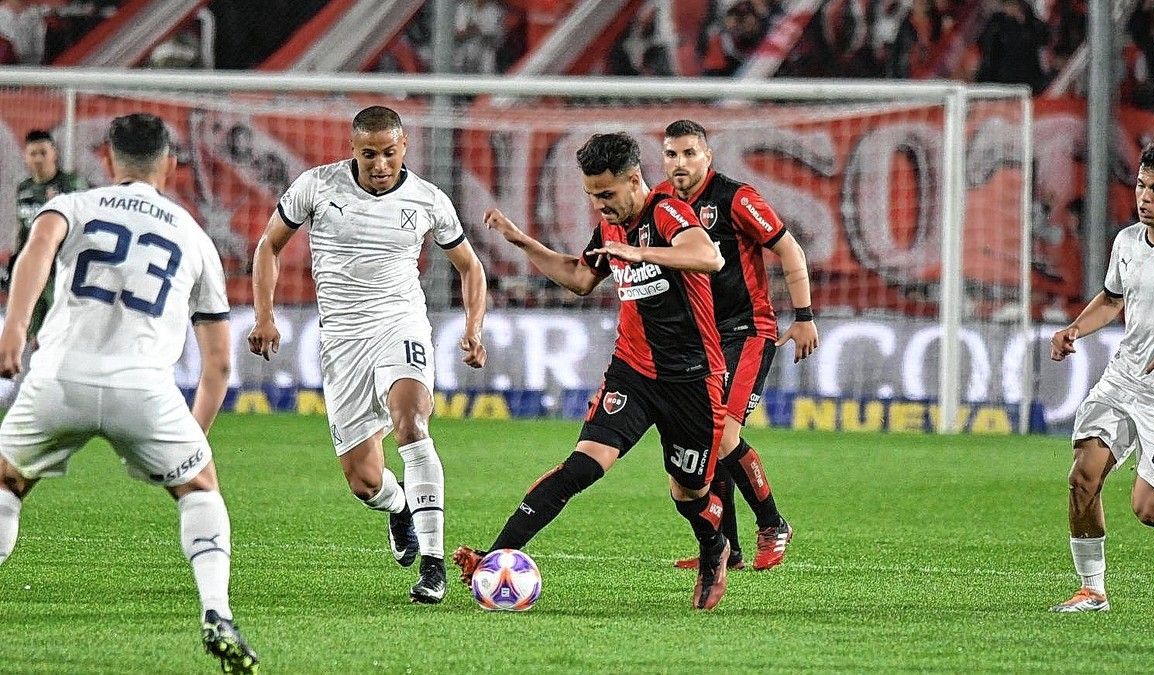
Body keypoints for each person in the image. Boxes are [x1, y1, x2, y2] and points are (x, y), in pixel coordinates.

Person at [0, 114, 258, 672]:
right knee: (200, 489)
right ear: (168, 163)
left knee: (7, 484)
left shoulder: (74, 205)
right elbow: (218, 363)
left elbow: (38, 246)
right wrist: (191, 440)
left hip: (59, 377)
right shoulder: (194, 236)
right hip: (144, 389)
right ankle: (217, 612)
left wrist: (15, 328)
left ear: (110, 160)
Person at [453, 132, 734, 610]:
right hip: (633, 372)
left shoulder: (667, 212)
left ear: (633, 180)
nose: (599, 204)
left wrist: (641, 254)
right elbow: (581, 278)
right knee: (581, 466)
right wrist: (522, 242)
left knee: (690, 494)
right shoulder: (611, 227)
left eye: (606, 194)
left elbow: (710, 256)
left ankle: (715, 549)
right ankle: (496, 555)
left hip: (693, 378)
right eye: (591, 194)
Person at [247, 105, 487, 605]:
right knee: (364, 480)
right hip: (342, 343)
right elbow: (268, 247)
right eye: (370, 154)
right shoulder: (316, 187)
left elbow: (469, 266)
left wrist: (472, 326)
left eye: (390, 153)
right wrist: (264, 315)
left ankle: (435, 565)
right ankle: (399, 506)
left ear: (404, 148)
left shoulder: (427, 200)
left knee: (412, 425)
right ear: (353, 150)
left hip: (401, 325)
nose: (380, 164)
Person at [657, 119, 817, 572]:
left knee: (723, 433)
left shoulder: (736, 198)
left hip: (747, 331)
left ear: (707, 156)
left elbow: (790, 250)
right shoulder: (662, 204)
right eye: (672, 154)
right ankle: (728, 547)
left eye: (690, 153)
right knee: (703, 439)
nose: (680, 162)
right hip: (700, 338)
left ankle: (773, 523)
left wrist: (803, 316)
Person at [1049, 138, 1154, 613]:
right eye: (1140, 185)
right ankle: (1092, 590)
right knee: (1081, 479)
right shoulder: (1127, 241)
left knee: (1152, 511)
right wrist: (1076, 327)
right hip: (1123, 382)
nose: (1144, 197)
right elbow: (1113, 299)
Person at [9, 130, 90, 340]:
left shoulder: (71, 185)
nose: (38, 158)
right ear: (25, 156)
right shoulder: (24, 189)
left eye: (43, 152)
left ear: (54, 153)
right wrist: (16, 258)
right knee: (29, 329)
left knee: (58, 329)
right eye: (33, 153)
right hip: (34, 268)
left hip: (61, 270)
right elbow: (23, 227)